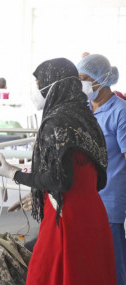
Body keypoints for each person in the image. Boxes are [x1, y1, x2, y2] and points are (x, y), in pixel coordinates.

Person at [0, 58, 116, 284]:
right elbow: (93, 177)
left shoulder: (56, 121)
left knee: (46, 275)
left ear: (52, 84)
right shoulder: (86, 117)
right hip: (93, 213)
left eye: (38, 84)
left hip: (67, 218)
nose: (36, 90)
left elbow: (60, 181)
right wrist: (37, 191)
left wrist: (13, 173)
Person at [77, 54, 126, 285]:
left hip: (110, 198)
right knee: (89, 262)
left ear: (102, 79)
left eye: (85, 79)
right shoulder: (84, 109)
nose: (82, 85)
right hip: (85, 197)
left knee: (113, 262)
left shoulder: (120, 111)